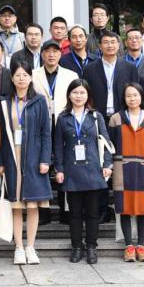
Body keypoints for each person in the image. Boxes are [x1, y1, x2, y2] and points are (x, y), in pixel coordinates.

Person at [53, 79, 113, 264]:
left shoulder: (96, 117)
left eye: (82, 93)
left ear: (88, 95)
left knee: (93, 212)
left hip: (93, 170)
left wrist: (107, 165)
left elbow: (106, 142)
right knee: (75, 213)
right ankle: (77, 247)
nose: (78, 96)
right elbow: (58, 146)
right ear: (69, 95)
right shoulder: (63, 118)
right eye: (75, 92)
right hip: (72, 171)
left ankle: (91, 247)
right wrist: (59, 168)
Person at [0, 62, 53, 265]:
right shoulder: (5, 102)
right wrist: (0, 162)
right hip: (12, 156)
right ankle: (19, 248)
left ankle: (30, 246)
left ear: (30, 77)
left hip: (33, 156)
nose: (21, 79)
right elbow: (1, 135)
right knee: (16, 205)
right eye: (17, 75)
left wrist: (45, 159)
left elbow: (46, 132)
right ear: (12, 78)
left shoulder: (39, 101)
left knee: (32, 205)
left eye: (25, 75)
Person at [107, 82, 144, 262]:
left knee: (143, 207)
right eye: (128, 95)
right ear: (124, 98)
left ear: (141, 97)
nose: (132, 98)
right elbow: (111, 143)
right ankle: (129, 245)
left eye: (135, 95)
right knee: (124, 206)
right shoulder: (116, 119)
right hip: (122, 166)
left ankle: (141, 245)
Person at [82, 31, 139, 118]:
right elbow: (86, 92)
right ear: (100, 46)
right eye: (106, 42)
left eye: (113, 42)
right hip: (97, 115)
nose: (110, 45)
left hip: (123, 115)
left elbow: (135, 92)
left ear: (118, 45)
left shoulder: (130, 68)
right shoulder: (89, 69)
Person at [32, 39, 79, 117]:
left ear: (60, 55)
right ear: (42, 55)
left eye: (55, 51)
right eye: (47, 51)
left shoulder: (71, 76)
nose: (51, 55)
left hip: (64, 118)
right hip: (40, 118)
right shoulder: (32, 75)